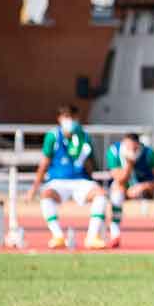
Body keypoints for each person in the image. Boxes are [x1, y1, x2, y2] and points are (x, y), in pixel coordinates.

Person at [26, 105, 107, 249]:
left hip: (80, 180)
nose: (69, 120)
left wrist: (85, 156)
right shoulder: (53, 136)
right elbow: (44, 163)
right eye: (66, 117)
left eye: (72, 117)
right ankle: (58, 236)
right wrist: (34, 187)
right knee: (46, 195)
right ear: (59, 119)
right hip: (57, 181)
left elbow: (91, 166)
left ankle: (92, 237)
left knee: (100, 195)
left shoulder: (84, 136)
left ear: (77, 119)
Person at [106, 134, 154, 248]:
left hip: (147, 187)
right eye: (128, 147)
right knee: (116, 191)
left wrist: (143, 186)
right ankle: (114, 234)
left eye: (134, 148)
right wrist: (129, 165)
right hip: (124, 186)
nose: (131, 150)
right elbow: (119, 179)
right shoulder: (114, 152)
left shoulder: (148, 153)